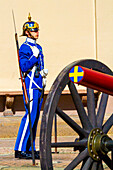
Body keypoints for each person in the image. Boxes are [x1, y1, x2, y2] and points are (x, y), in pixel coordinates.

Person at [14, 13, 48, 159]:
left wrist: (43, 76)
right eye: (34, 30)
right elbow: (24, 66)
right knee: (29, 116)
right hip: (31, 85)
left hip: (39, 83)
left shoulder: (38, 46)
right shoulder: (25, 47)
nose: (37, 32)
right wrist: (33, 57)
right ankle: (20, 148)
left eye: (37, 30)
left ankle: (30, 148)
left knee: (34, 117)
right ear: (27, 32)